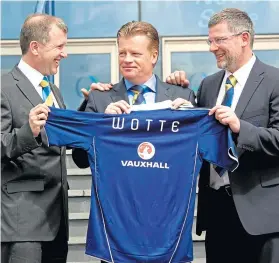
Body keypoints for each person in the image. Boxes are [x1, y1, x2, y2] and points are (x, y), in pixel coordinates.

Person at [166, 8, 279, 263]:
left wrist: (241, 127)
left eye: (219, 40)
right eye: (210, 41)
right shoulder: (207, 85)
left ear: (244, 38)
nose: (211, 47)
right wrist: (182, 102)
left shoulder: (275, 80)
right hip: (217, 213)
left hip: (263, 216)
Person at [73, 21, 196, 170]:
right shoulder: (99, 99)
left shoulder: (182, 96)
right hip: (116, 192)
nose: (127, 60)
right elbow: (80, 160)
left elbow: (196, 154)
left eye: (135, 54)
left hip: (166, 191)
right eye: (122, 53)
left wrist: (189, 118)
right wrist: (103, 125)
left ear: (154, 56)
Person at [1, 14, 69, 263]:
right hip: (22, 222)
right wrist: (29, 131)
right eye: (60, 46)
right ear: (35, 47)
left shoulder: (53, 91)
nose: (65, 53)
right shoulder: (3, 87)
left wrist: (93, 107)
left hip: (56, 221)